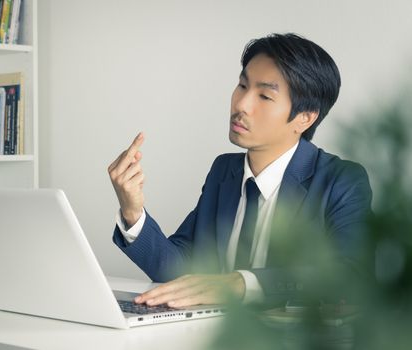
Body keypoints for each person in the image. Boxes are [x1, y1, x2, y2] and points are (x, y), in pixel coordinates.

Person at [108, 33, 372, 308]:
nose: (242, 104)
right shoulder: (224, 171)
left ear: (305, 118)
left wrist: (241, 283)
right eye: (242, 85)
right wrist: (132, 212)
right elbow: (178, 271)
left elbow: (348, 277)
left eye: (265, 96)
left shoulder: (341, 180)